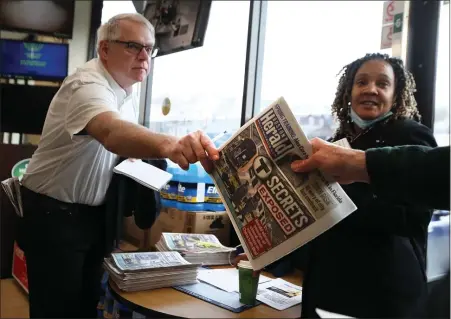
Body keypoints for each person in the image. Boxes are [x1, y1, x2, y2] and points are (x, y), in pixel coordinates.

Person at [18, 13, 218, 318]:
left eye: (149, 49)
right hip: (52, 215)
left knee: (85, 306)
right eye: (132, 46)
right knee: (56, 311)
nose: (144, 56)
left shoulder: (126, 91)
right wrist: (170, 144)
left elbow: (119, 143)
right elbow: (110, 132)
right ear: (104, 49)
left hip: (91, 217)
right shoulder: (87, 84)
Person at [296, 53, 438, 318]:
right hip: (328, 287)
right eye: (362, 82)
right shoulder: (336, 141)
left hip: (381, 293)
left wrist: (337, 194)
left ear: (395, 96)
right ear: (349, 92)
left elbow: (413, 218)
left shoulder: (410, 135)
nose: (370, 89)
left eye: (382, 84)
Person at [291, 138, 450, 318]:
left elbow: (412, 220)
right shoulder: (339, 136)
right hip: (331, 283)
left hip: (378, 287)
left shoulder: (413, 134)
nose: (369, 107)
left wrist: (346, 195)